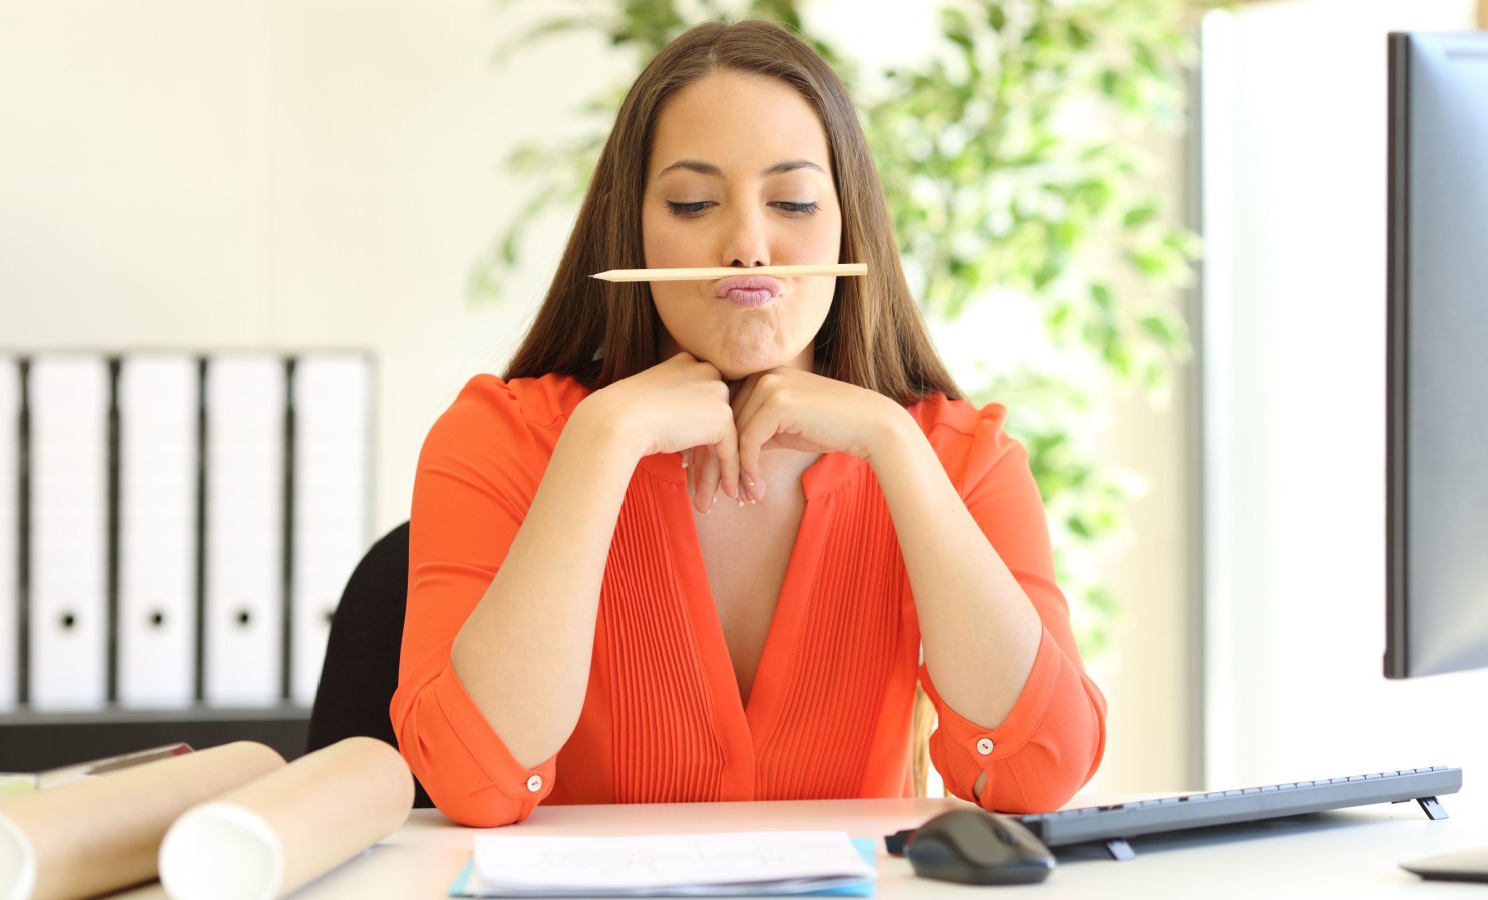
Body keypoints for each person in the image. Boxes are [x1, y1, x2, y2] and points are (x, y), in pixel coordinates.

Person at [391, 18, 1106, 828]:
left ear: (848, 224)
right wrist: (600, 442)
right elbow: (473, 781)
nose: (748, 247)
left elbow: (1037, 774)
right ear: (633, 228)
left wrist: (897, 448)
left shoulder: (961, 454)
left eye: (793, 201)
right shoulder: (501, 435)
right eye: (694, 203)